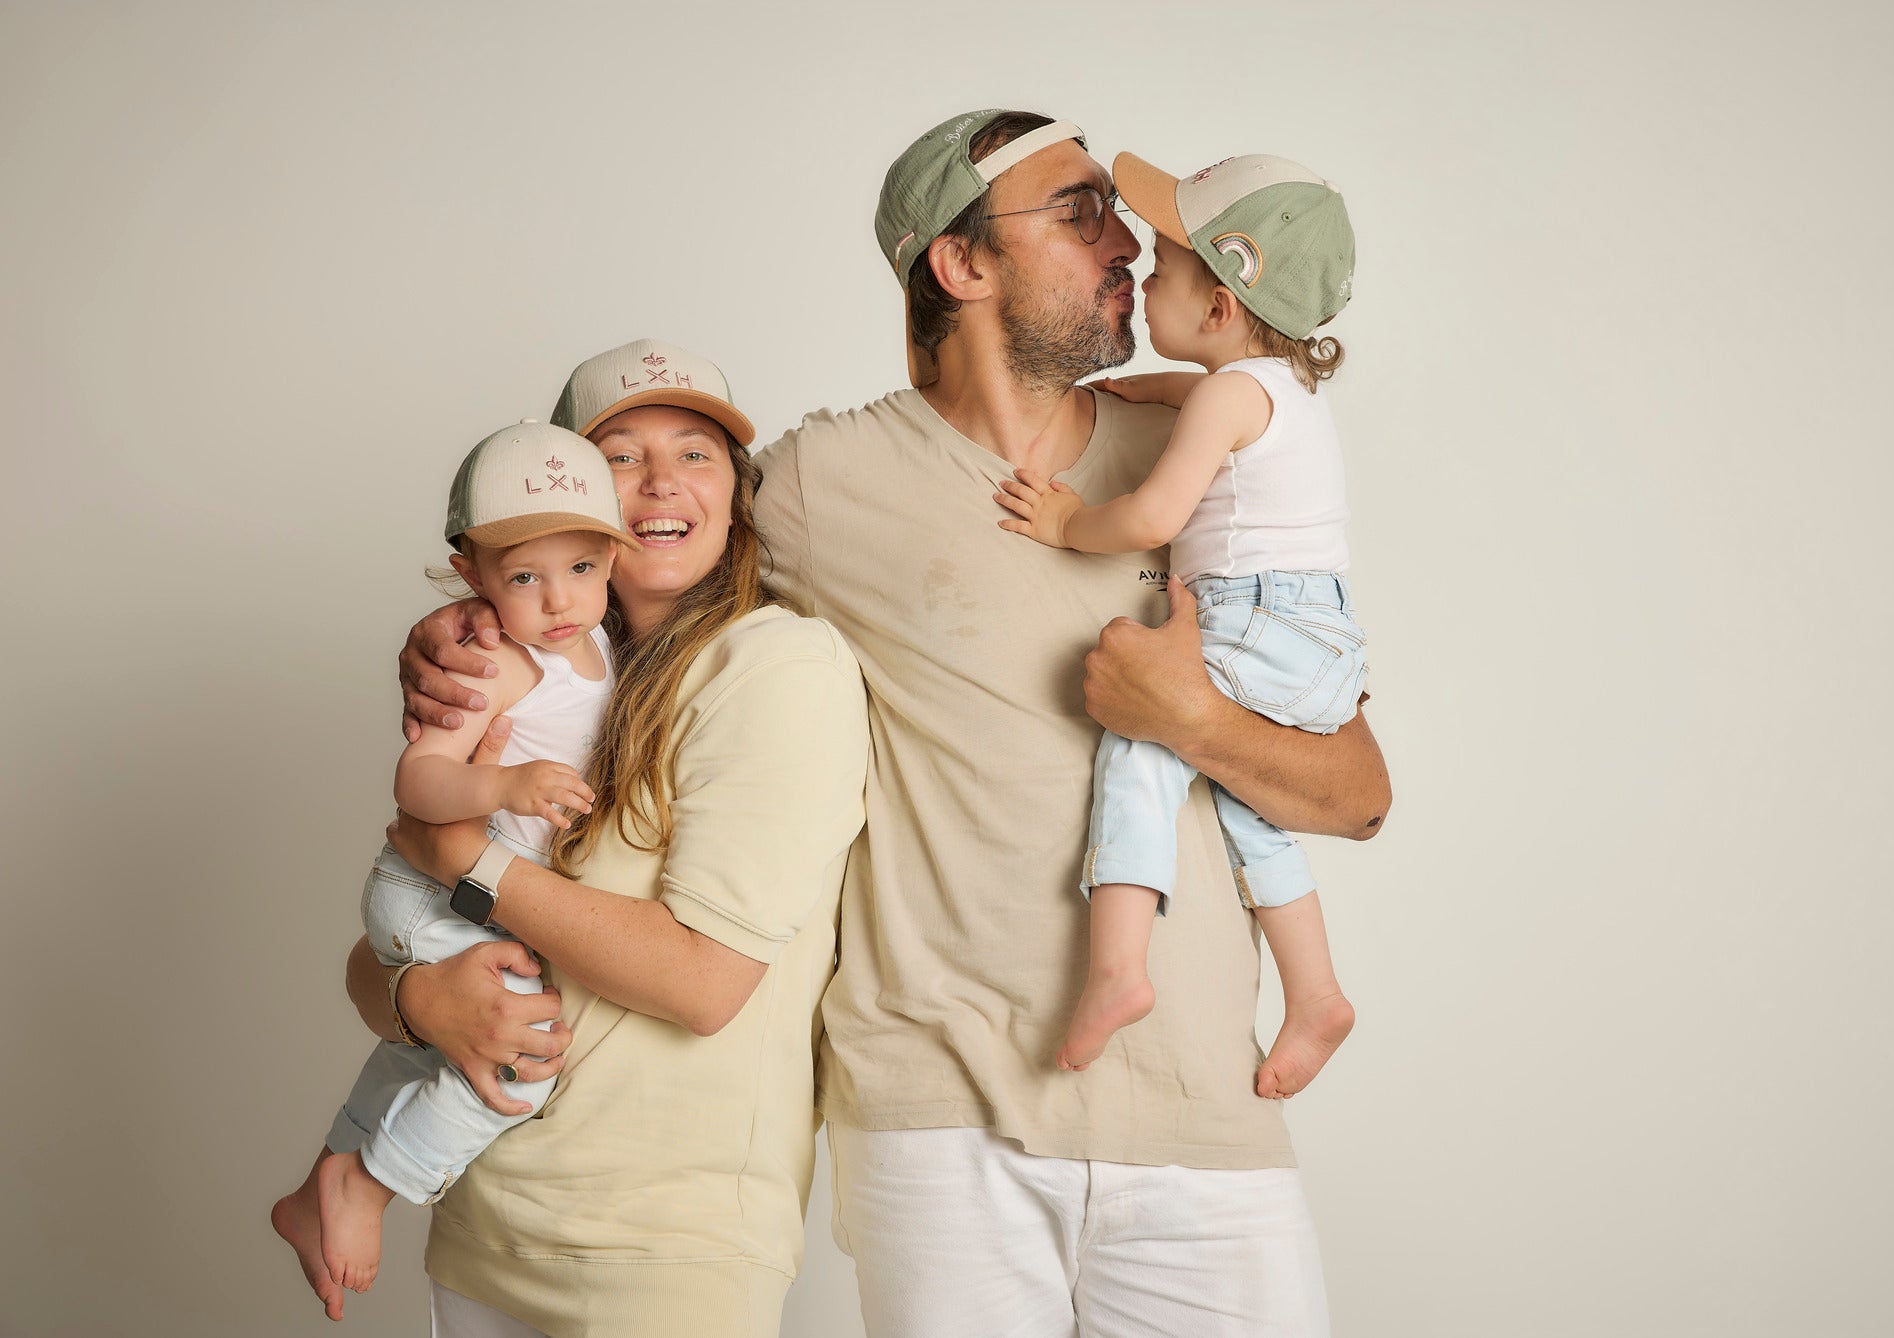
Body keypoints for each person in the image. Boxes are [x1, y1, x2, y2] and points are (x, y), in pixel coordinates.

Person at [405, 109, 1391, 1338]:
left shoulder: (1202, 456)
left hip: (1205, 1113)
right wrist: (467, 639)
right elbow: (616, 555)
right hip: (936, 1124)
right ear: (959, 265)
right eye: (1079, 210)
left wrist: (1190, 718)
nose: (1129, 243)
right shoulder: (819, 484)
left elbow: (1355, 794)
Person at [320, 340, 869, 1338]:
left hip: (664, 1244)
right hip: (489, 1217)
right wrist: (419, 998)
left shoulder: (778, 665)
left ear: (737, 493)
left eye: (697, 453)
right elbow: (380, 956)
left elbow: (703, 984)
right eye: (620, 453)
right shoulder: (528, 682)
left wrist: (468, 863)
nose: (660, 481)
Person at [993, 150, 1368, 1099]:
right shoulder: (1276, 391)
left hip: (1259, 621)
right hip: (1318, 636)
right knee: (1253, 811)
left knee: (1141, 744)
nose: (1141, 278)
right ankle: (1316, 993)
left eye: (1163, 270)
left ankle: (1119, 968)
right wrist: (1143, 391)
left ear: (1217, 309)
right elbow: (1209, 403)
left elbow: (1156, 519)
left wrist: (1069, 523)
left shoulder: (1230, 399)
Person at [271, 419, 631, 1308]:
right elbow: (419, 777)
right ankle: (365, 1185)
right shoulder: (497, 665)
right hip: (433, 894)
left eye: (580, 569)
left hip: (471, 903)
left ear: (612, 559)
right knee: (521, 1059)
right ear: (472, 575)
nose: (558, 601)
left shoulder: (599, 645)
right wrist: (506, 784)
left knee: (430, 1049)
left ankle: (317, 1189)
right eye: (523, 578)